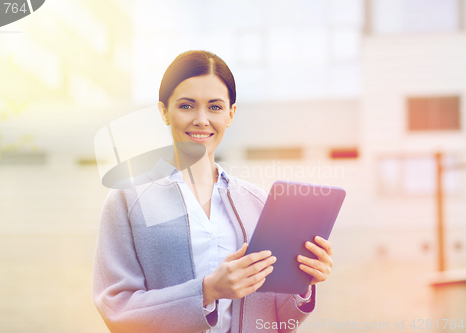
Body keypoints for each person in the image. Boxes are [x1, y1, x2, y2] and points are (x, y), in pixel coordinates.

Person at [93, 50, 334, 333]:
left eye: (215, 107)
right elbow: (116, 308)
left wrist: (303, 284)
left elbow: (276, 318)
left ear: (231, 114)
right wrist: (207, 291)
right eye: (186, 106)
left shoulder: (257, 203)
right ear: (163, 112)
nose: (201, 119)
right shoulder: (129, 198)